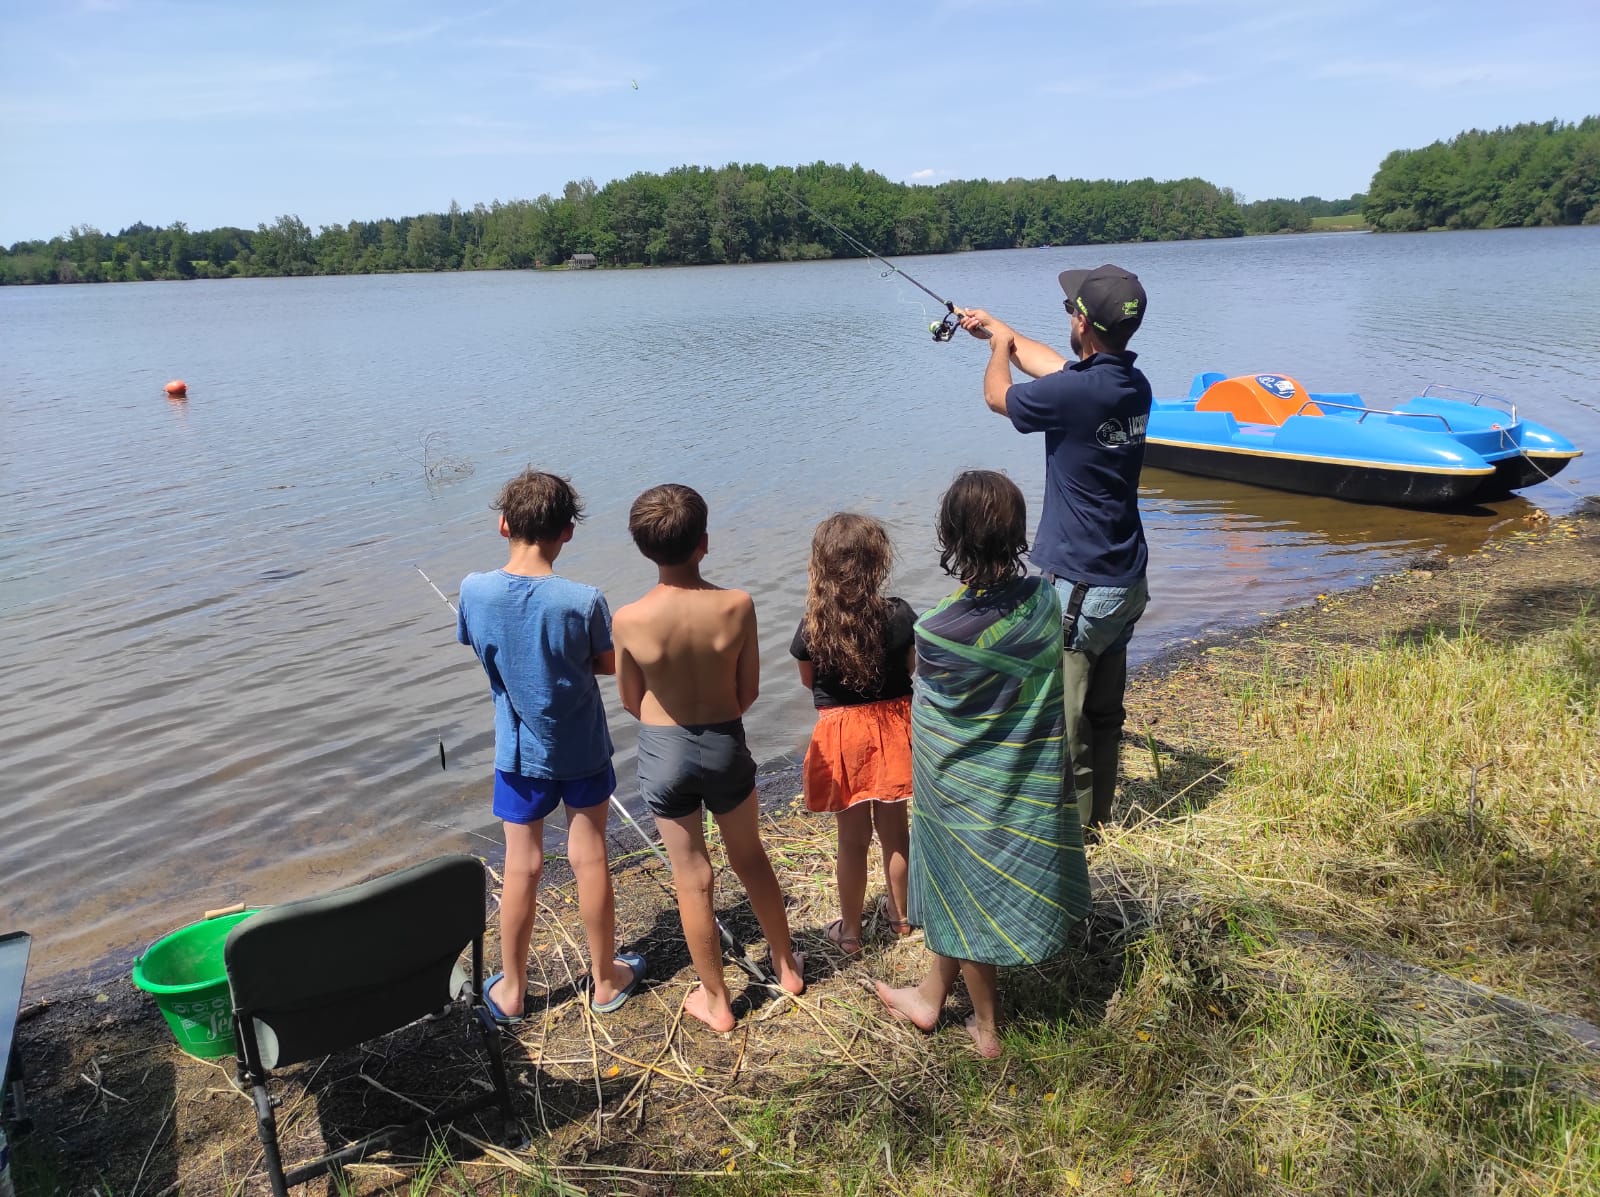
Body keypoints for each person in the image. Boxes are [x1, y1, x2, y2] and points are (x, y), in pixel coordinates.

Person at [874, 470, 1090, 1058]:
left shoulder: (936, 631)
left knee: (964, 887)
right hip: (1026, 773)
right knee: (957, 886)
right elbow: (1034, 690)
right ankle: (928, 997)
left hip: (964, 786)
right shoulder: (1045, 600)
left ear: (950, 536)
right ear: (1018, 533)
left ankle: (987, 1030)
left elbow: (937, 717)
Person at [957, 264, 1152, 837]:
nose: (1066, 314)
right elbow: (1057, 367)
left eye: (1071, 309)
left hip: (1082, 587)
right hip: (1127, 577)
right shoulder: (1126, 384)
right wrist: (1005, 332)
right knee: (1106, 712)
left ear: (1085, 324)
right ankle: (1098, 820)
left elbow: (999, 396)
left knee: (1065, 719)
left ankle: (1070, 835)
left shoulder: (1074, 393)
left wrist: (996, 350)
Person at [612, 483, 805, 1032]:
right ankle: (787, 965)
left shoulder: (629, 619)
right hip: (725, 743)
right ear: (704, 542)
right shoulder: (736, 605)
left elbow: (630, 698)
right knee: (750, 857)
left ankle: (717, 1002)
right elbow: (749, 693)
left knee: (692, 876)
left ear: (643, 549)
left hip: (663, 751)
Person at [457, 469, 646, 1024]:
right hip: (582, 747)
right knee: (589, 858)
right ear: (567, 532)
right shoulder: (584, 601)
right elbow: (609, 664)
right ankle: (606, 978)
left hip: (516, 755)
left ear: (503, 525)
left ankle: (512, 990)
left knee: (522, 865)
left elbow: (479, 644)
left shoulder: (473, 589)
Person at [790, 513, 915, 956]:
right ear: (877, 562)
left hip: (843, 736)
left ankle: (851, 933)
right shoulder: (899, 615)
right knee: (895, 831)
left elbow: (809, 682)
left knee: (852, 840)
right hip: (893, 728)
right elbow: (911, 668)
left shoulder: (812, 627)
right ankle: (901, 917)